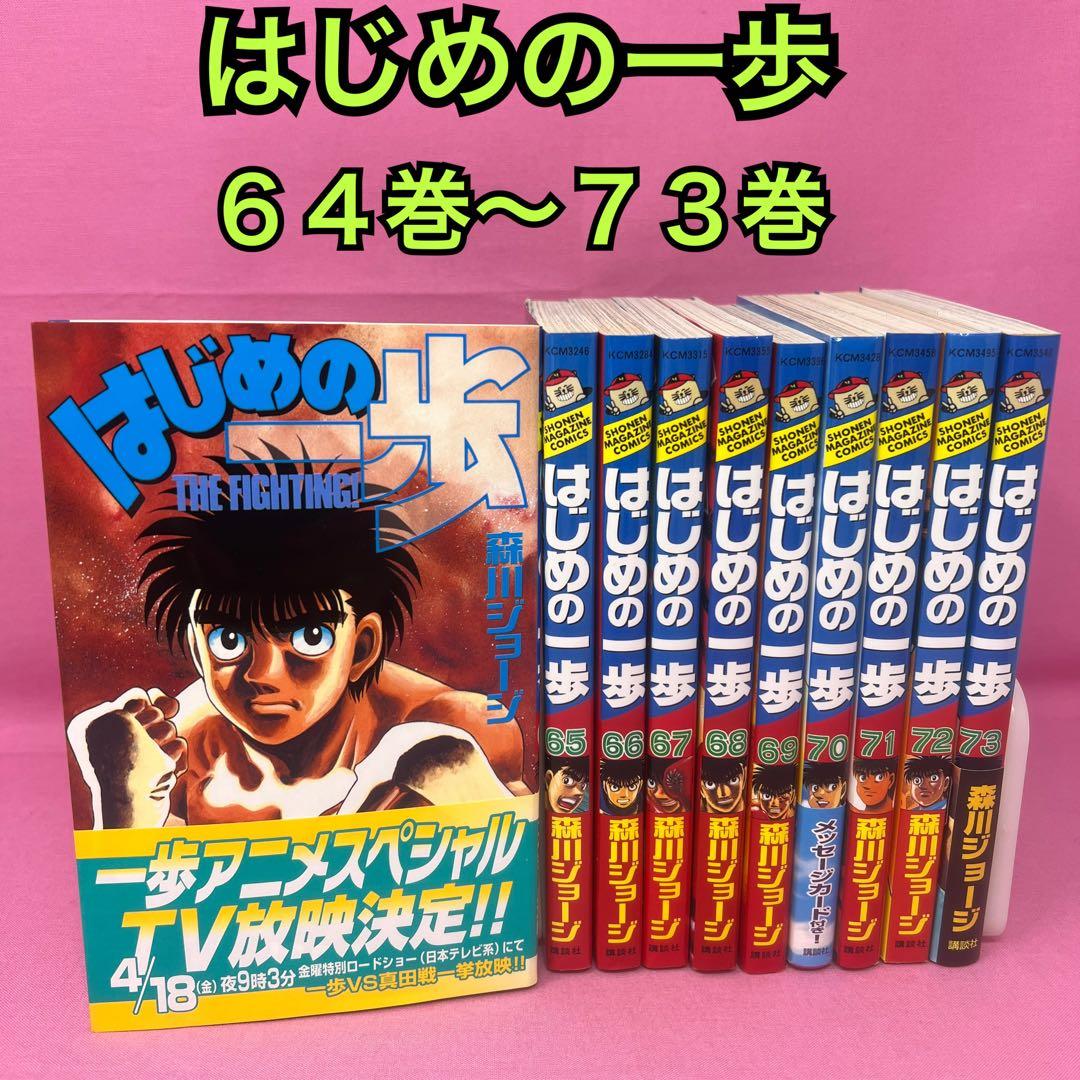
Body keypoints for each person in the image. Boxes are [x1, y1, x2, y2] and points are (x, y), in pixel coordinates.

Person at [66, 460, 526, 829]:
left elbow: (519, 882)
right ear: (196, 648)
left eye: (309, 637)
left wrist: (467, 787)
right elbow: (143, 912)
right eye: (229, 640)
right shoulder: (179, 753)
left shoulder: (457, 728)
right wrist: (122, 808)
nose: (261, 675)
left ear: (362, 647)